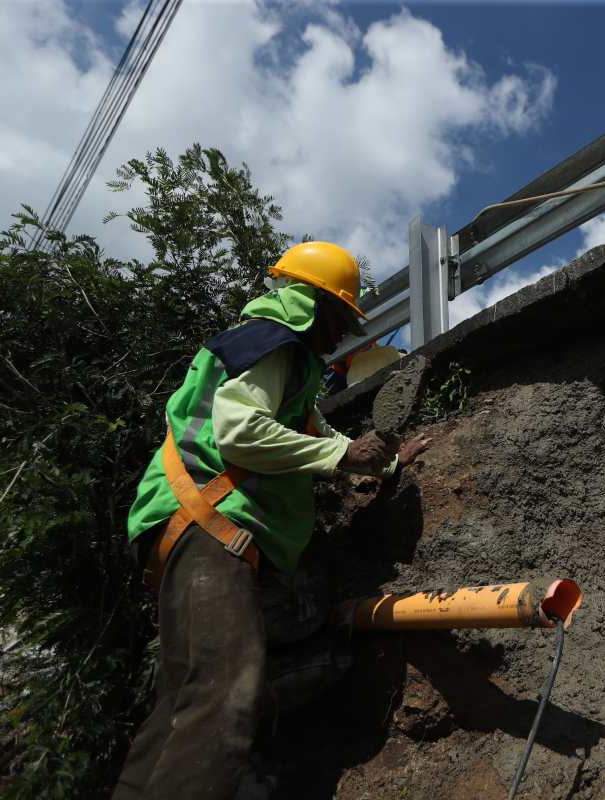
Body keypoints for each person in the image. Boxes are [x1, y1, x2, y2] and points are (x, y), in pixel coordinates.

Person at [113, 241, 428, 800]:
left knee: (182, 708)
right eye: (341, 318)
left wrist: (384, 460)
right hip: (207, 527)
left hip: (183, 527)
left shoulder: (273, 359)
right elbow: (241, 433)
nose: (343, 335)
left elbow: (320, 435)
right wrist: (343, 456)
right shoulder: (274, 344)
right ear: (315, 304)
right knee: (227, 693)